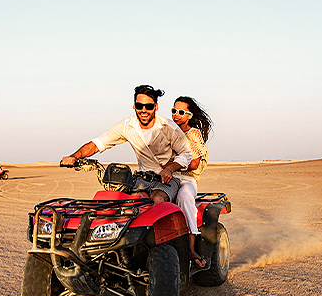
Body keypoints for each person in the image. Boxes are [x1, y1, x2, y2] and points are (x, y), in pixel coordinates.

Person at [61, 85, 192, 204]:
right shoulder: (127, 126)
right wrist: (75, 156)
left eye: (149, 106)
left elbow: (186, 153)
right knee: (131, 201)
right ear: (134, 106)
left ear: (156, 107)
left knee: (157, 199)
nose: (144, 110)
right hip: (143, 178)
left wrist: (170, 169)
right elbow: (98, 143)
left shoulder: (168, 127)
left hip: (168, 179)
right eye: (140, 106)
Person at [171, 96, 212, 267]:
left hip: (186, 179)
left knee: (184, 197)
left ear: (189, 115)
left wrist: (170, 166)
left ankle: (191, 248)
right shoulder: (168, 131)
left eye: (181, 112)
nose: (176, 114)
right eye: (174, 110)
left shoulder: (193, 134)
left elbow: (194, 163)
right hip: (167, 177)